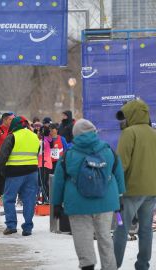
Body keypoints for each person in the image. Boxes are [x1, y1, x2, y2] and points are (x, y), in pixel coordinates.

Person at [52, 119, 125, 270]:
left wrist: (57, 204)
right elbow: (118, 175)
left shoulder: (68, 155)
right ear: (94, 132)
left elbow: (58, 181)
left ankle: (87, 265)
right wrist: (120, 197)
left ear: (75, 134)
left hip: (78, 204)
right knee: (105, 237)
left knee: (82, 238)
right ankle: (109, 267)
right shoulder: (108, 151)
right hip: (106, 202)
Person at [113, 99, 156, 270]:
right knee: (146, 230)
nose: (123, 121)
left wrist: (114, 187)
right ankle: (143, 265)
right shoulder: (154, 133)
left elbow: (121, 164)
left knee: (121, 229)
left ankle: (113, 265)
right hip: (151, 190)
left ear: (131, 115)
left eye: (125, 116)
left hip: (130, 191)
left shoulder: (129, 133)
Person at [0, 116, 39, 236]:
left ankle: (11, 225)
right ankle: (28, 227)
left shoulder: (12, 136)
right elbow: (37, 152)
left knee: (9, 199)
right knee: (29, 200)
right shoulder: (34, 136)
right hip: (32, 172)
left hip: (15, 173)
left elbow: (2, 156)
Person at [0, 112, 15, 206]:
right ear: (5, 120)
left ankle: (6, 196)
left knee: (8, 178)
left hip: (10, 159)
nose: (12, 121)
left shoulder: (12, 131)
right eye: (10, 119)